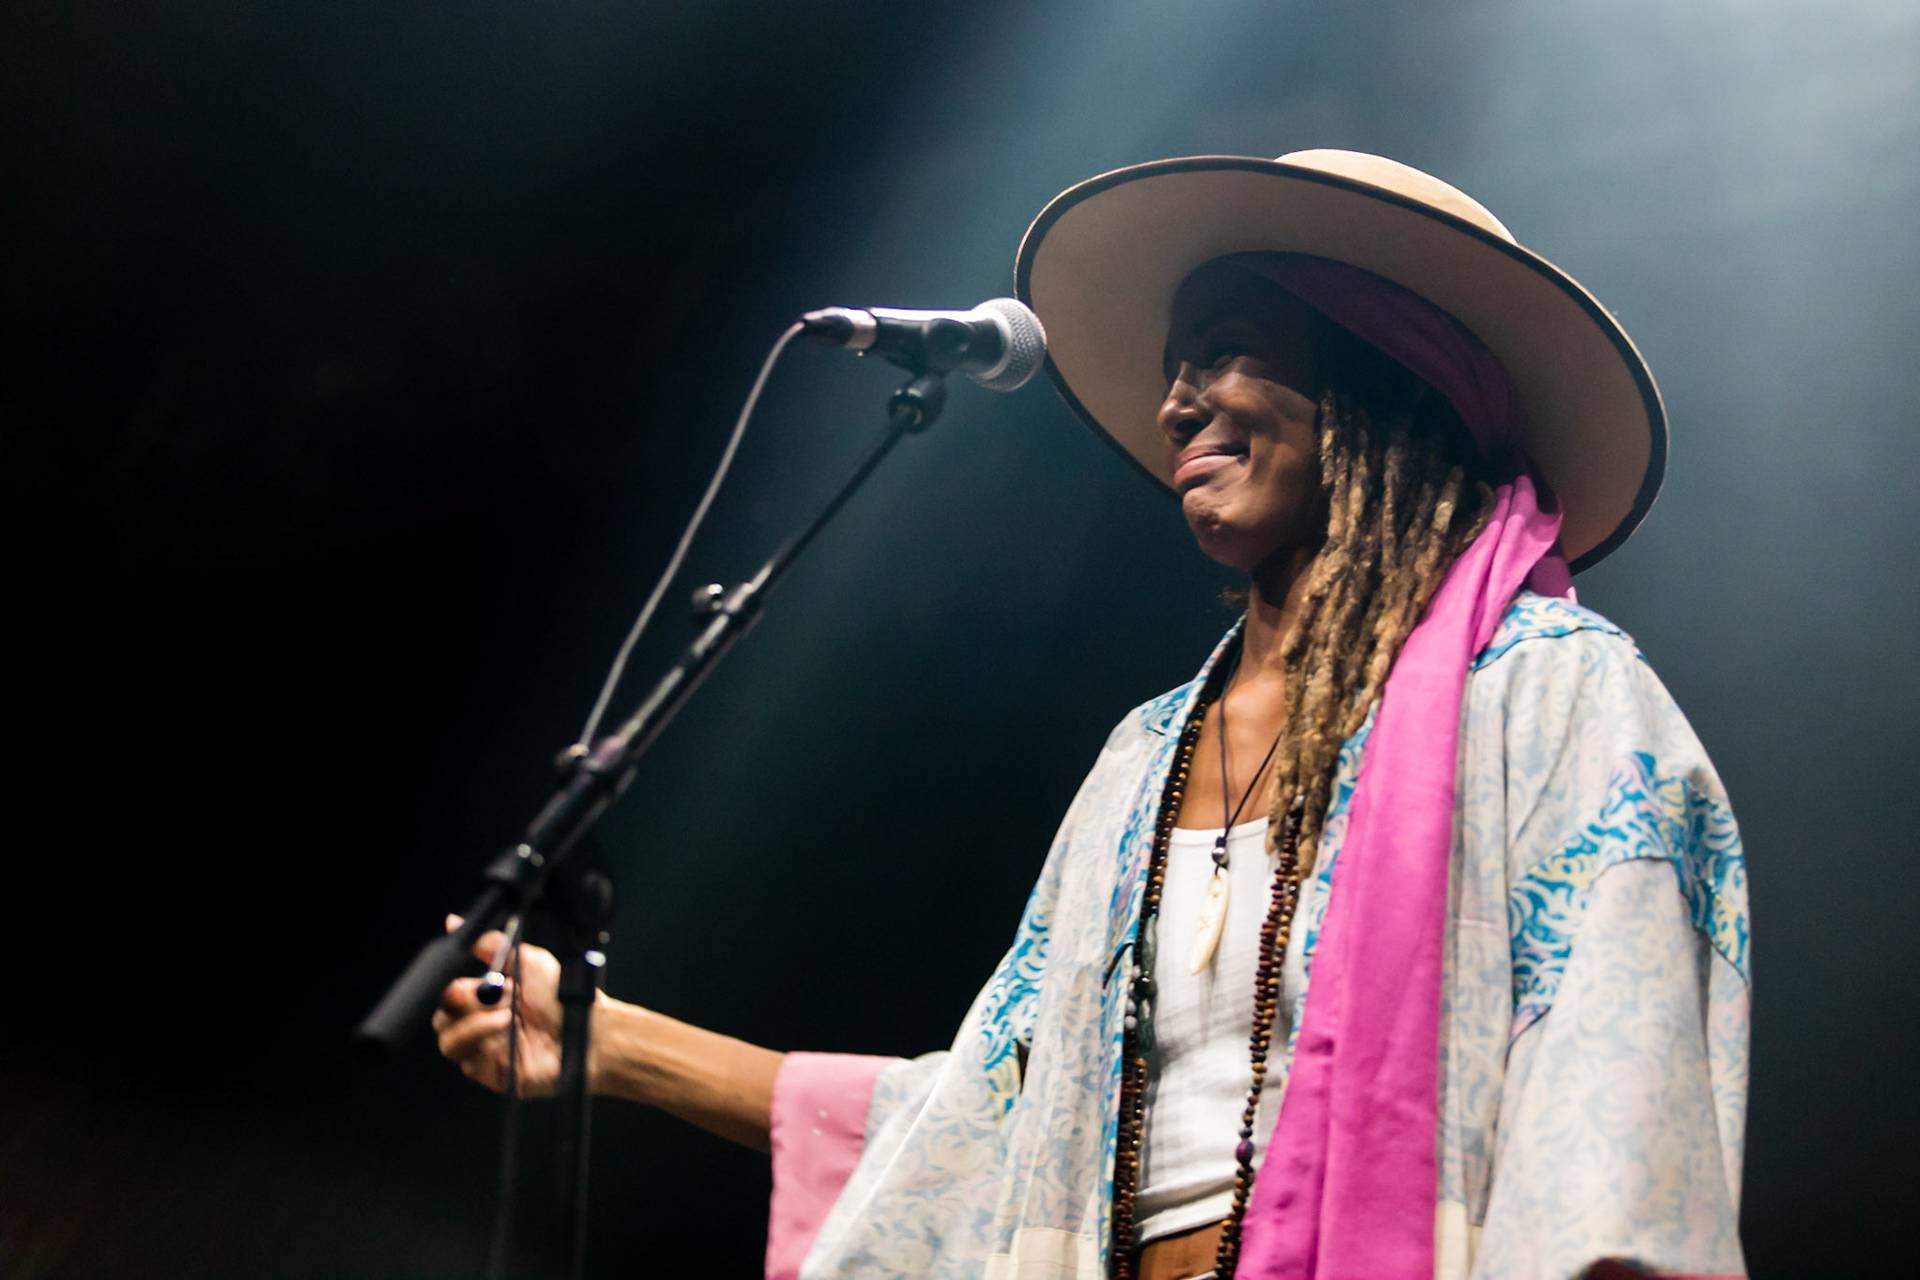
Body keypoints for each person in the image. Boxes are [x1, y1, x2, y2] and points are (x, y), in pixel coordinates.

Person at [433, 151, 1750, 1280]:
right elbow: (991, 1117)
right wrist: (610, 1045)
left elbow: (1615, 1130)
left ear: (1380, 379)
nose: (1176, 403)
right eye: (1173, 367)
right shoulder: (1143, 762)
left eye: (1225, 351)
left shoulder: (1551, 696)